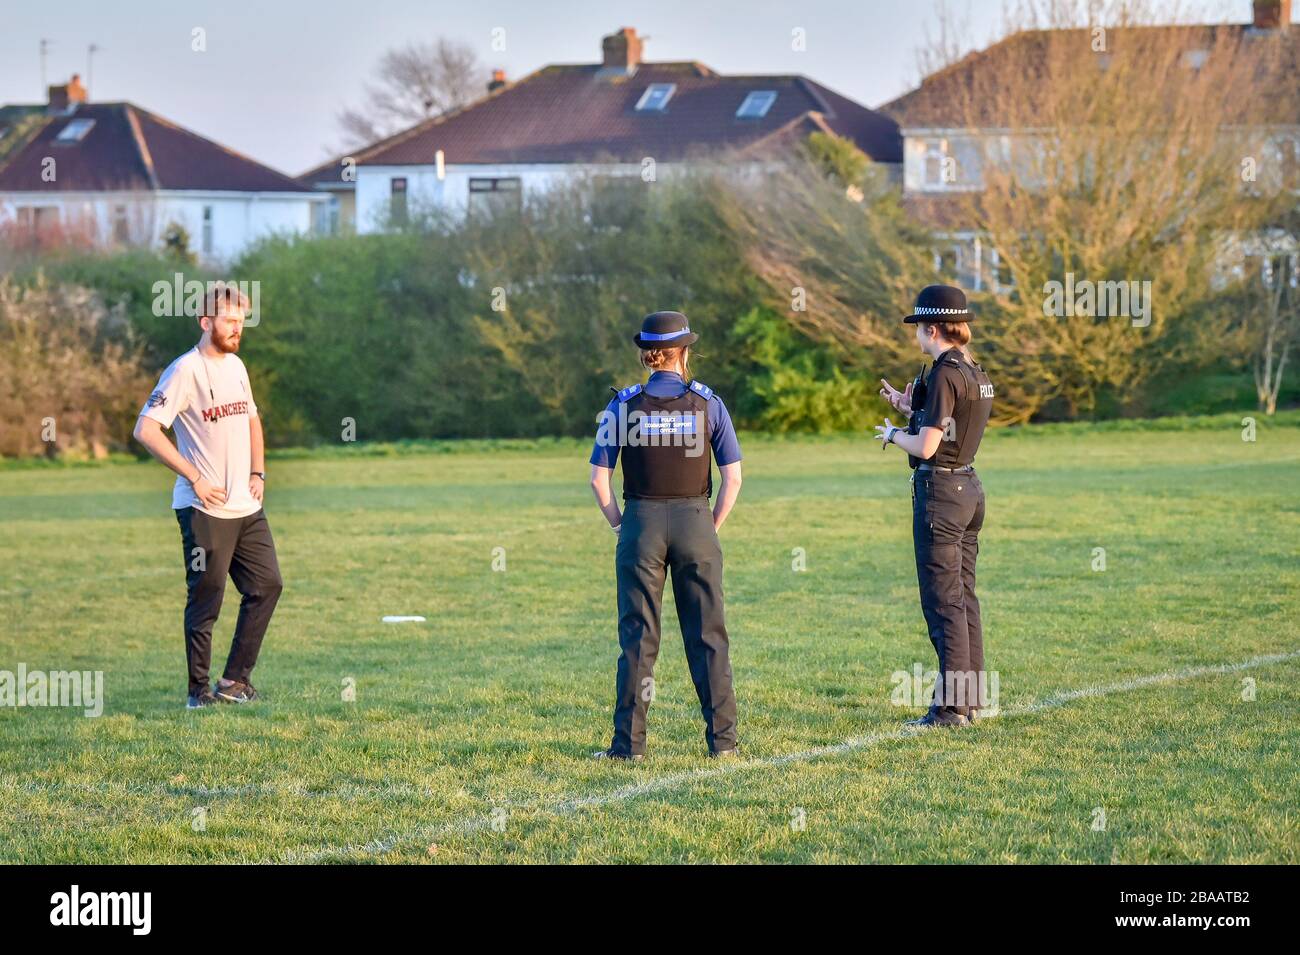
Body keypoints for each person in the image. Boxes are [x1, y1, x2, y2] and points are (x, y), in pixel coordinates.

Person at [589, 311, 743, 760]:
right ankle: (724, 744)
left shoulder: (623, 404)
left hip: (641, 525)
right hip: (696, 522)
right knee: (709, 635)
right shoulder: (708, 402)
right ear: (685, 352)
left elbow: (599, 480)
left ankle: (629, 747)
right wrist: (707, 526)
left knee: (638, 638)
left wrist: (622, 524)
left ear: (645, 354)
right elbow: (733, 478)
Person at [133, 283, 282, 709]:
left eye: (242, 321)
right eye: (230, 321)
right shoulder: (185, 370)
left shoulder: (237, 366)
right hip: (204, 508)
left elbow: (253, 420)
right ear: (206, 322)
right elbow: (146, 430)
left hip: (247, 507)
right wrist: (194, 476)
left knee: (267, 586)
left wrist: (259, 472)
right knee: (207, 598)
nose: (238, 329)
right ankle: (198, 692)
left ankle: (235, 681)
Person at [875, 285, 993, 728]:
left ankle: (948, 709)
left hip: (941, 496)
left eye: (918, 329)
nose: (916, 337)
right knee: (964, 599)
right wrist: (910, 406)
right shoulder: (973, 370)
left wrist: (892, 434)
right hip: (969, 489)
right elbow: (952, 425)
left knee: (944, 605)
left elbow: (927, 445)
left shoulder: (944, 373)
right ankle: (970, 701)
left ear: (931, 328)